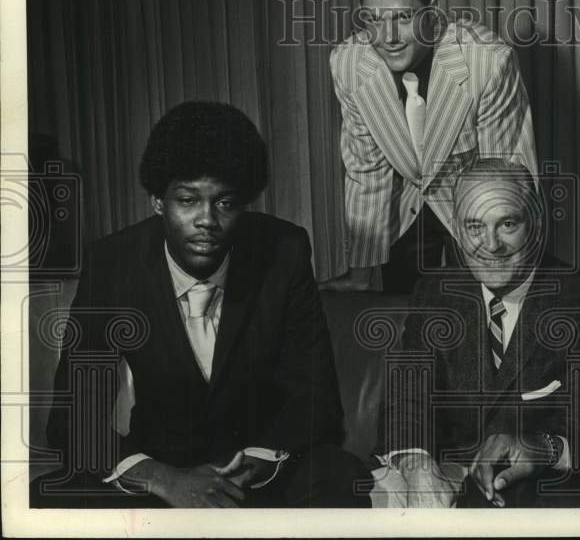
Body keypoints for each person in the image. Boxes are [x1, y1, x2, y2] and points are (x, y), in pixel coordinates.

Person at [34, 101, 369, 508]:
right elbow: (73, 420)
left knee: (341, 477)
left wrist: (259, 460)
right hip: (162, 469)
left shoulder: (283, 250)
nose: (207, 219)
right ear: (159, 201)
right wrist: (163, 479)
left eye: (224, 203)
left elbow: (316, 399)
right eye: (188, 200)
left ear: (243, 203)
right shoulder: (114, 264)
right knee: (46, 497)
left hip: (259, 470)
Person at [372, 159, 580, 508]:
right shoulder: (435, 293)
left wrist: (539, 446)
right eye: (474, 227)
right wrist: (416, 464)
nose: (490, 246)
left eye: (507, 223)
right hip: (441, 481)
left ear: (536, 224)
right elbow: (407, 400)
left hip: (531, 494)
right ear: (455, 229)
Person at [329, 0, 537, 293]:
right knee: (407, 319)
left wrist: (503, 270)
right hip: (405, 204)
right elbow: (366, 171)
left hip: (477, 204)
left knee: (482, 314)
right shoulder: (349, 65)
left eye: (403, 17)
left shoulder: (487, 62)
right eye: (374, 19)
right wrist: (360, 274)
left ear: (432, 11)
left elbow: (505, 174)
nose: (387, 36)